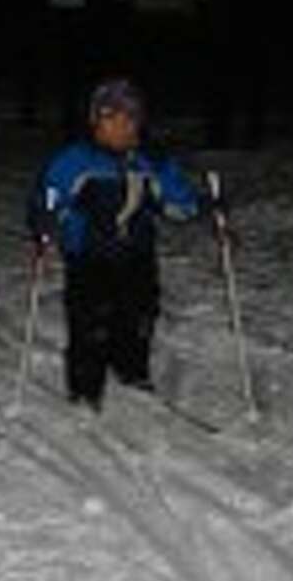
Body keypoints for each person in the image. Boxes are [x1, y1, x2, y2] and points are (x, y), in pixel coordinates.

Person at [27, 77, 209, 412]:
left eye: (131, 119)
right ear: (97, 120)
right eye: (113, 118)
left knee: (139, 313)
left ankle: (132, 369)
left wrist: (204, 203)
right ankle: (85, 387)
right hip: (89, 254)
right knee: (91, 319)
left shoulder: (149, 161)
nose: (123, 127)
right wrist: (45, 224)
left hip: (137, 252)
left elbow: (178, 204)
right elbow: (50, 196)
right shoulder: (75, 160)